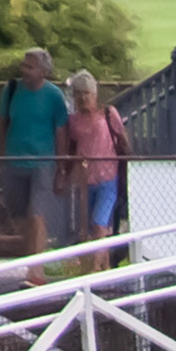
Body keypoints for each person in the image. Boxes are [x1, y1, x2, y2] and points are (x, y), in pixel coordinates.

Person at [0, 47, 69, 251]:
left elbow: (62, 133)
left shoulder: (54, 96)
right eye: (24, 65)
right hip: (14, 163)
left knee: (37, 215)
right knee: (19, 218)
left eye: (29, 67)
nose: (24, 70)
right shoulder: (11, 90)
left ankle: (36, 266)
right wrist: (4, 156)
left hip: (43, 164)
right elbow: (0, 124)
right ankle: (33, 257)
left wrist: (61, 169)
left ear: (43, 72)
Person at [66, 58, 128, 249]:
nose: (83, 98)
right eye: (78, 94)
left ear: (94, 94)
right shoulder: (73, 121)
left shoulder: (108, 114)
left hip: (108, 178)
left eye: (86, 93)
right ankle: (102, 262)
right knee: (89, 230)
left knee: (99, 224)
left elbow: (124, 142)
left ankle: (95, 264)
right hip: (85, 182)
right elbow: (70, 148)